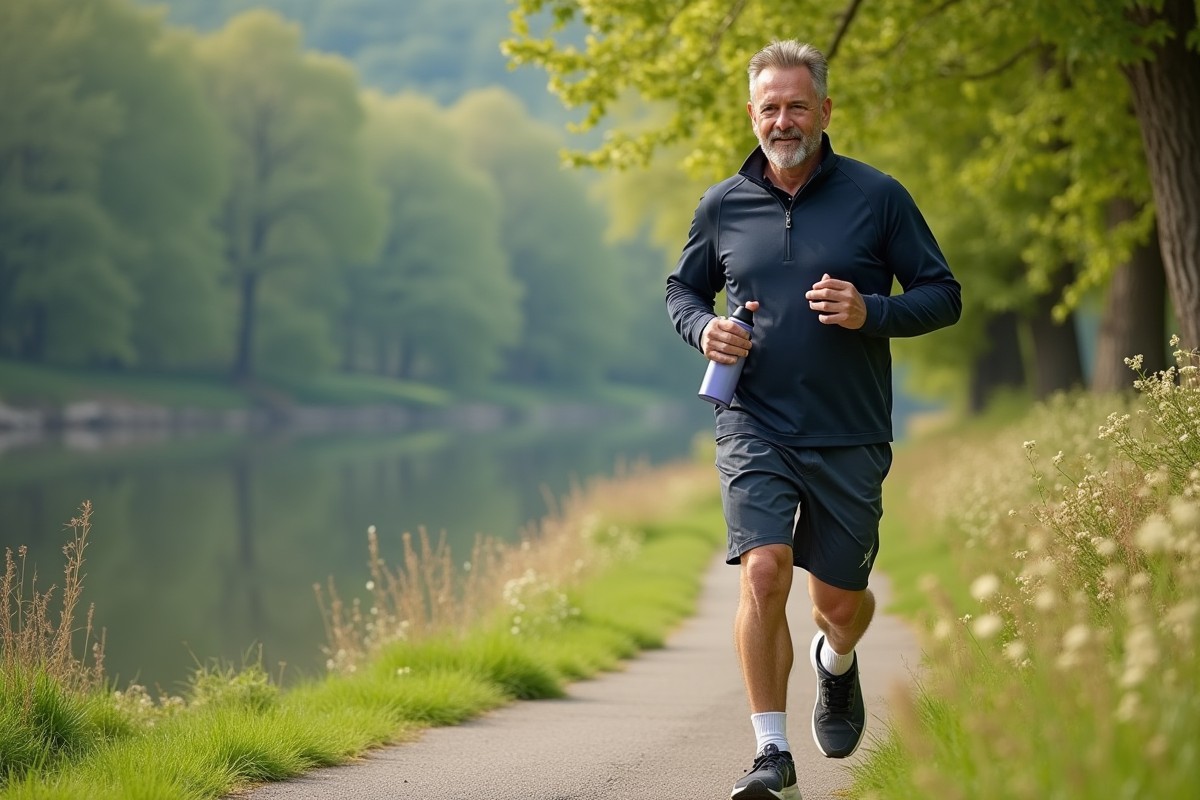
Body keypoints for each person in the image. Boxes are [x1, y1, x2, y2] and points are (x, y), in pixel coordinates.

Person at [665, 40, 961, 800]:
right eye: (770, 106)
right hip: (753, 419)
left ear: (825, 111)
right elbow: (681, 290)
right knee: (763, 571)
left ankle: (838, 660)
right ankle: (771, 755)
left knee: (838, 603)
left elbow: (943, 293)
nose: (783, 119)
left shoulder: (877, 197)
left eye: (798, 105)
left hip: (850, 428)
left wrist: (873, 311)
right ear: (751, 113)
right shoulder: (722, 204)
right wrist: (704, 328)